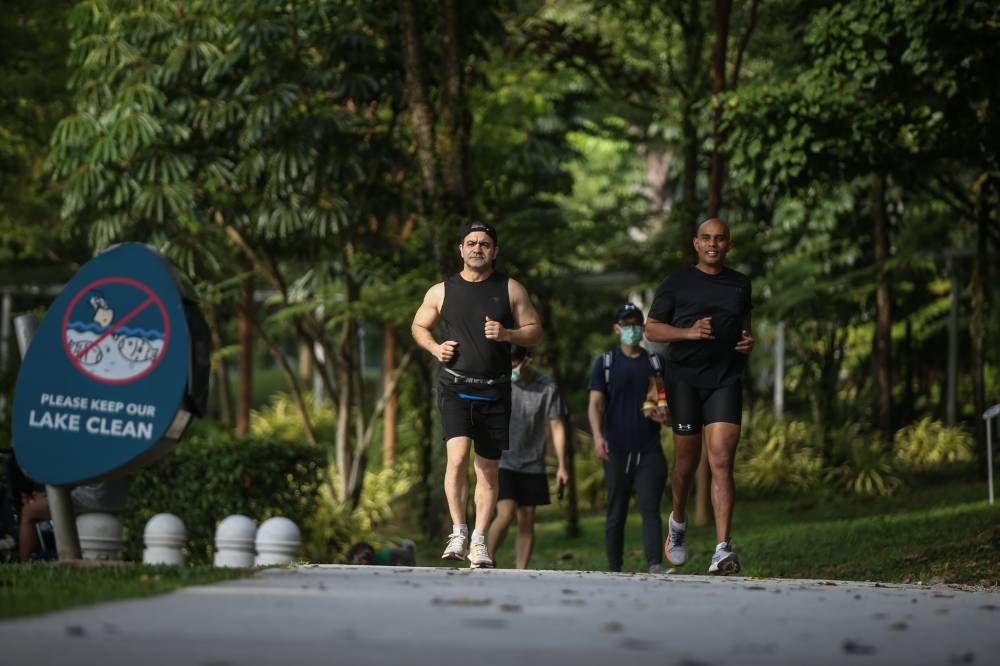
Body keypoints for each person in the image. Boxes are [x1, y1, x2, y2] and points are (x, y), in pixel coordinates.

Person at [411, 221, 542, 569]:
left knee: (487, 470)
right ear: (461, 249)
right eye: (471, 243)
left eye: (485, 244)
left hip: (495, 389)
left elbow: (534, 331)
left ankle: (480, 541)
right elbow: (418, 325)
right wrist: (434, 348)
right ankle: (458, 530)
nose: (477, 249)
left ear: (494, 251)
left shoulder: (510, 288)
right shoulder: (442, 291)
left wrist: (507, 333)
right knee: (456, 459)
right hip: (455, 386)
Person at [645, 217, 754, 575]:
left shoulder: (740, 284)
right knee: (686, 464)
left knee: (721, 459)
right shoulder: (676, 283)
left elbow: (744, 329)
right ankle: (677, 520)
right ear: (696, 243)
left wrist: (746, 343)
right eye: (706, 238)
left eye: (720, 238)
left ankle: (722, 548)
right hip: (684, 381)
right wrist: (688, 333)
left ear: (729, 244)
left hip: (725, 379)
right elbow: (652, 328)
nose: (713, 244)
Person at [587, 302, 670, 574]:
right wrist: (598, 438)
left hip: (649, 449)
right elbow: (595, 405)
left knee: (650, 508)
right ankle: (614, 568)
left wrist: (666, 417)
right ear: (617, 328)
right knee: (616, 513)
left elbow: (666, 403)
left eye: (636, 324)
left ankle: (655, 565)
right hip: (616, 449)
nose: (632, 329)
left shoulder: (655, 363)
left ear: (643, 328)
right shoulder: (606, 363)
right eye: (627, 324)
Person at [487, 345, 569, 569]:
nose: (511, 366)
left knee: (527, 519)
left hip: (533, 461)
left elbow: (557, 426)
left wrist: (562, 465)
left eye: (514, 361)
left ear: (527, 360)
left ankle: (520, 570)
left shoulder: (547, 387)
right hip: (504, 459)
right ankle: (485, 559)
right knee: (506, 513)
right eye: (508, 361)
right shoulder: (500, 382)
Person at [18, 477, 129, 562]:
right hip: (118, 500)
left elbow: (72, 479)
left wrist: (47, 494)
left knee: (28, 512)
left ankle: (25, 565)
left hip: (93, 498)